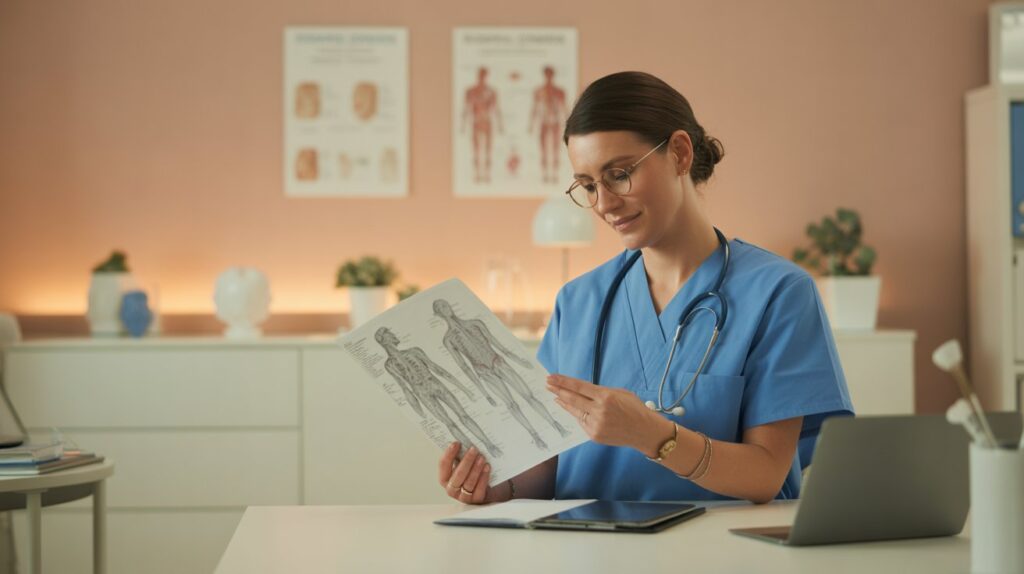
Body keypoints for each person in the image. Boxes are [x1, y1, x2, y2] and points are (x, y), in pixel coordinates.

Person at [437, 71, 854, 505]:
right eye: (587, 186)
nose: (603, 203)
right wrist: (494, 487)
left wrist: (649, 433)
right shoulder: (578, 302)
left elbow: (766, 473)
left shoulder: (778, 293)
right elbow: (549, 473)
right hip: (587, 552)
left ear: (678, 153)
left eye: (619, 174)